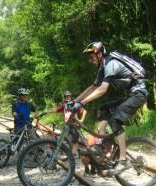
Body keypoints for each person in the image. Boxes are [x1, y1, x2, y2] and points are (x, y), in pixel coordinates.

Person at [72, 41, 147, 176]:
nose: (90, 60)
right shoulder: (103, 67)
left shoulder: (111, 64)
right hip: (130, 94)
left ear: (99, 54)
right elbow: (93, 87)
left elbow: (102, 89)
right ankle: (101, 146)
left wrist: (82, 103)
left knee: (116, 120)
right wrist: (74, 101)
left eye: (91, 57)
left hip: (138, 94)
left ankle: (123, 159)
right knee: (103, 109)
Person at [55, 90, 87, 164]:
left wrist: (81, 120)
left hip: (74, 124)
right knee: (66, 139)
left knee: (75, 141)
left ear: (71, 96)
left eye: (69, 96)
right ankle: (71, 154)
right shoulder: (64, 105)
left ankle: (74, 156)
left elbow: (84, 111)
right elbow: (57, 110)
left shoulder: (74, 104)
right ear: (65, 97)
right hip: (67, 125)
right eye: (66, 96)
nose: (68, 97)